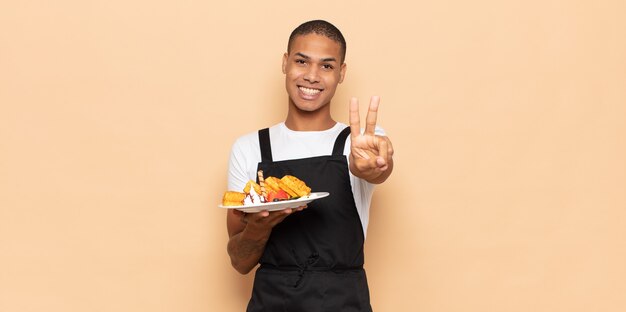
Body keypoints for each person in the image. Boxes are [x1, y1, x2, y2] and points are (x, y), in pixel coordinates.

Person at [225, 20, 394, 312]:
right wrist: (259, 227)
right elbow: (240, 262)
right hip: (271, 302)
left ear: (341, 73)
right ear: (285, 63)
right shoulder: (249, 148)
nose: (312, 76)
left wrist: (374, 167)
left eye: (327, 66)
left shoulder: (359, 142)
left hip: (344, 303)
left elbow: (375, 167)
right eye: (302, 61)